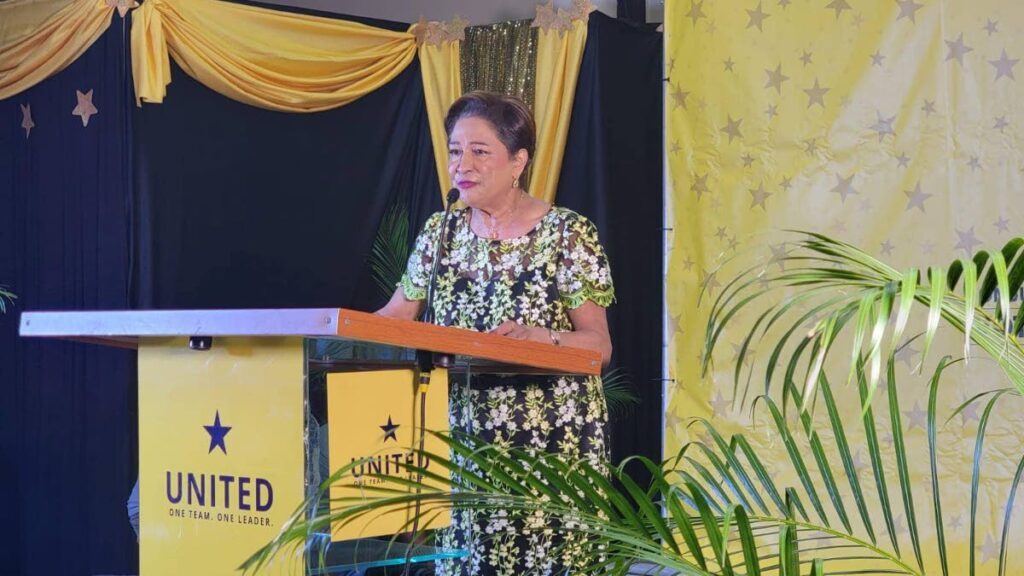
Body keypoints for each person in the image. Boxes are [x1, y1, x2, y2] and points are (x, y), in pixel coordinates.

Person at [377, 90, 614, 575]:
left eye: (480, 151)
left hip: (550, 445)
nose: (463, 164)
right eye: (455, 150)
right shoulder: (440, 232)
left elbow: (598, 347)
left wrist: (537, 338)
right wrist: (321, 327)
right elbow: (393, 317)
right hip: (464, 445)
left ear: (518, 162)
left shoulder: (568, 233)